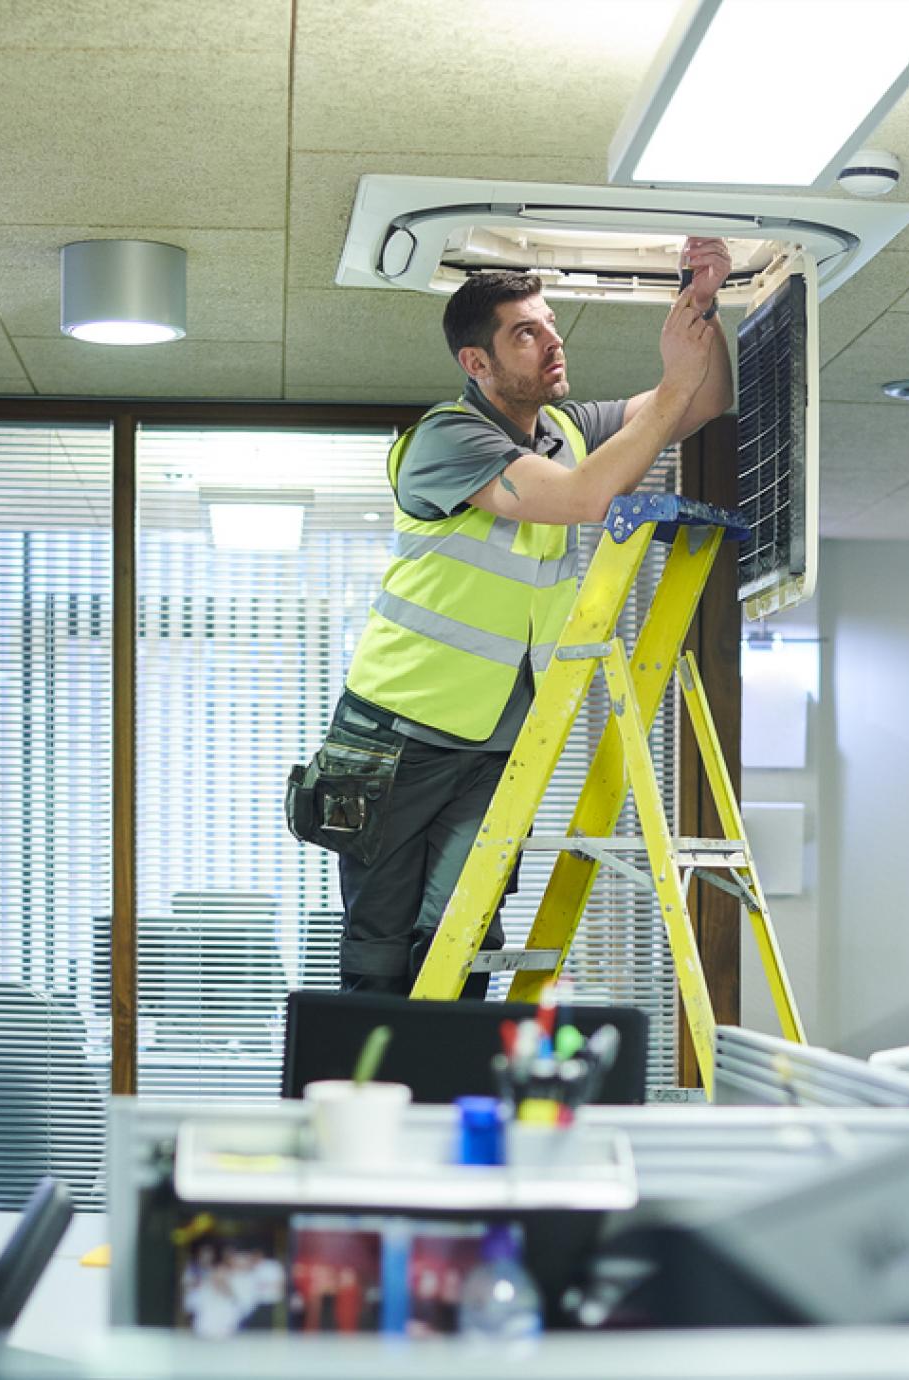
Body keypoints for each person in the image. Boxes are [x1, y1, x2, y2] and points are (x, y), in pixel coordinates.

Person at [288, 237, 734, 996]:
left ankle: (451, 1099)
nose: (552, 339)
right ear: (477, 363)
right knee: (383, 943)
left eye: (550, 322)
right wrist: (670, 386)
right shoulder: (445, 439)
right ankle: (366, 1101)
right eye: (525, 332)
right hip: (397, 732)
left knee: (464, 935)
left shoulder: (567, 431)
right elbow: (585, 497)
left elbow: (706, 400)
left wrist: (699, 307)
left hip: (500, 739)